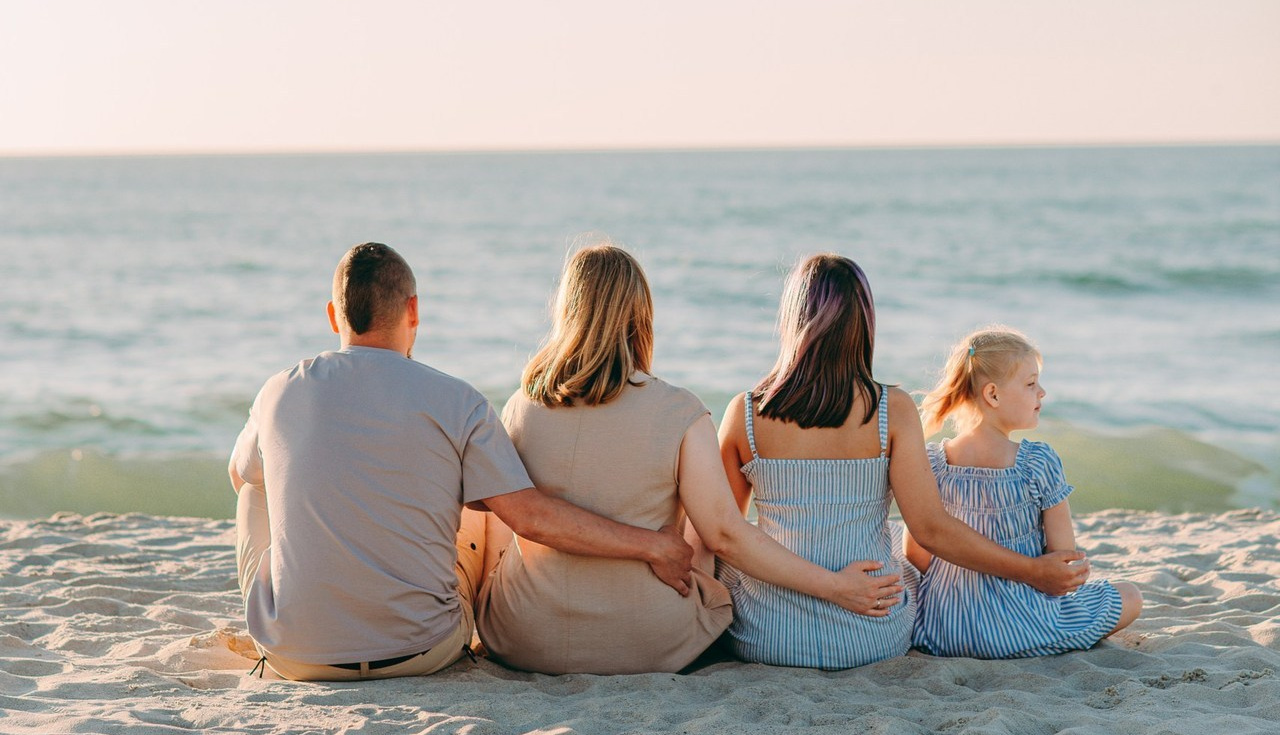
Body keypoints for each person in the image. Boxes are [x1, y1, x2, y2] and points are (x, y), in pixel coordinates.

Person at [229, 242, 693, 681]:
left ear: (334, 316)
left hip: (296, 655)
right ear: (413, 310)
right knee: (485, 503)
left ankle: (287, 611)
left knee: (255, 487)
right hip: (423, 650)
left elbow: (240, 474)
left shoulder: (280, 390)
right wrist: (652, 545)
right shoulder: (458, 399)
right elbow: (530, 518)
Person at [475, 245, 904, 675]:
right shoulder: (680, 410)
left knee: (491, 506)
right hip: (650, 641)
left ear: (566, 312)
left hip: (522, 638)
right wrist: (833, 586)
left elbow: (523, 514)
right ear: (641, 314)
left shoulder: (519, 405)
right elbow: (723, 535)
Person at [717, 254, 1094, 670]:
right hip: (871, 634)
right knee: (900, 561)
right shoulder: (890, 409)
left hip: (765, 636)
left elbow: (725, 534)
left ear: (791, 320)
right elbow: (931, 530)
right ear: (865, 321)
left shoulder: (745, 413)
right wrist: (1032, 572)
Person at [905, 326, 1142, 657]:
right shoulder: (1037, 462)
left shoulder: (932, 462)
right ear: (993, 395)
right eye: (1031, 384)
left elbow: (917, 555)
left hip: (942, 628)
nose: (1041, 392)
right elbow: (1063, 555)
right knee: (1130, 595)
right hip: (1020, 627)